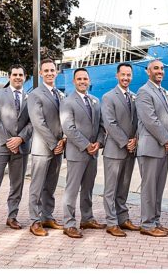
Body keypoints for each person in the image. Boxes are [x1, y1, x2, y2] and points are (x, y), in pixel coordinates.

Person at [0, 64, 33, 238]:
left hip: (21, 148)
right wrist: (8, 141)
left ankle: (12, 217)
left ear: (25, 77)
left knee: (17, 185)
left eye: (21, 75)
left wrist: (21, 139)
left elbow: (33, 122)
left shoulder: (30, 98)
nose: (18, 77)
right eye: (15, 74)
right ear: (9, 76)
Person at [59, 68, 106, 238]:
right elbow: (68, 128)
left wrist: (99, 143)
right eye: (79, 79)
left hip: (93, 153)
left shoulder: (95, 100)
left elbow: (101, 126)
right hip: (77, 152)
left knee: (88, 188)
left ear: (89, 80)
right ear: (74, 81)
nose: (82, 81)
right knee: (72, 190)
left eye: (85, 78)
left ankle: (87, 218)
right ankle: (69, 224)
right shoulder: (67, 101)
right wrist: (86, 145)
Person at [26, 59, 67, 236]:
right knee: (37, 186)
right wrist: (53, 143)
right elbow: (38, 122)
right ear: (41, 73)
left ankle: (47, 217)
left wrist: (63, 139)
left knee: (50, 186)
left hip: (58, 147)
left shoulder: (60, 94)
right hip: (43, 148)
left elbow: (65, 120)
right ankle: (35, 221)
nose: (50, 73)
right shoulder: (35, 94)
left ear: (56, 72)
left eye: (52, 70)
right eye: (46, 71)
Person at [135, 59, 168, 237]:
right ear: (148, 71)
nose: (159, 71)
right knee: (149, 188)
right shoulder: (144, 92)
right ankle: (147, 224)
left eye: (161, 68)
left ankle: (156, 221)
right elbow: (150, 120)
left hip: (163, 148)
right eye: (155, 68)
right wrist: (167, 139)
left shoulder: (166, 93)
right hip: (150, 148)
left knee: (158, 188)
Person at [100, 63, 142, 236]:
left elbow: (139, 121)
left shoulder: (134, 97)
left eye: (129, 75)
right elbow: (110, 123)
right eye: (123, 74)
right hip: (115, 150)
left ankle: (123, 219)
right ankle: (111, 222)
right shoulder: (108, 97)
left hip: (130, 150)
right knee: (111, 189)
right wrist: (126, 142)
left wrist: (136, 139)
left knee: (124, 187)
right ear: (117, 76)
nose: (126, 78)